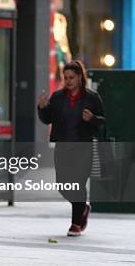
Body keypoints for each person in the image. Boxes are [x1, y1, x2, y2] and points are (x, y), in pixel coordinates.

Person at [37, 60, 105, 236]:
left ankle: (75, 224)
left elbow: (103, 122)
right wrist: (42, 108)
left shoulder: (92, 97)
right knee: (63, 185)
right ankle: (83, 206)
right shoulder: (58, 97)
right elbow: (47, 119)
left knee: (77, 184)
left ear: (80, 77)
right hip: (63, 147)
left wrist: (92, 119)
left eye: (71, 77)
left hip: (83, 147)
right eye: (65, 77)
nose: (68, 81)